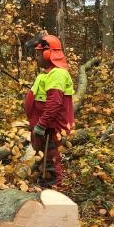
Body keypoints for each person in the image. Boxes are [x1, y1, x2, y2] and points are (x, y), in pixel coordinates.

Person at [24, 34, 74, 188]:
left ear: (48, 54)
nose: (36, 58)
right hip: (43, 125)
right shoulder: (46, 73)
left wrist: (42, 124)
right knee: (43, 156)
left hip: (51, 127)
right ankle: (44, 184)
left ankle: (52, 188)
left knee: (51, 158)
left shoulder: (57, 74)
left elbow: (54, 102)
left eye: (38, 54)